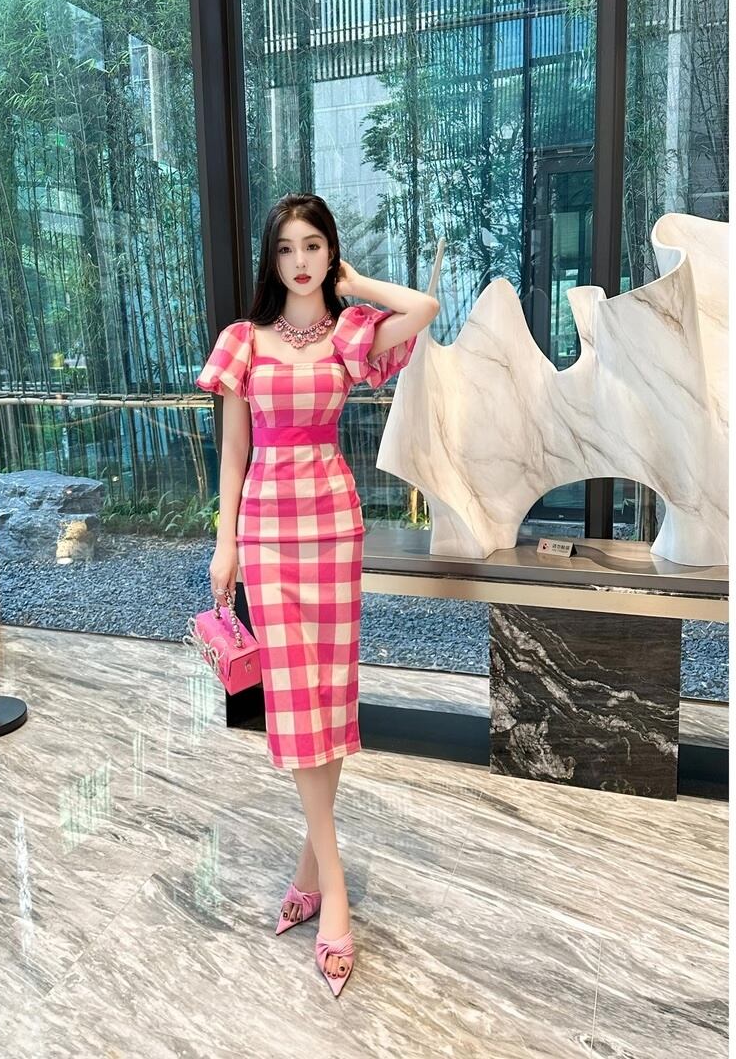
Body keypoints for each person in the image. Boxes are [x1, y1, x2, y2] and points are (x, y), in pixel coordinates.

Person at [195, 192, 440, 997]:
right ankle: (334, 891)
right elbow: (234, 453)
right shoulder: (244, 341)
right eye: (286, 248)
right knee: (295, 701)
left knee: (327, 696)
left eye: (313, 245)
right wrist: (226, 542)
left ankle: (310, 864)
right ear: (271, 260)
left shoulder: (352, 332)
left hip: (333, 528)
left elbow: (426, 308)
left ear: (330, 252)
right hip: (268, 532)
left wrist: (357, 283)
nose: (299, 261)